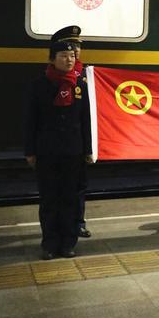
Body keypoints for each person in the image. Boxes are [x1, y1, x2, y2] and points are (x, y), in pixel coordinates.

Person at [24, 41, 92, 259]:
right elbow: (31, 120)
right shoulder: (39, 84)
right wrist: (30, 150)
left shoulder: (80, 85)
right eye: (63, 56)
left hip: (73, 150)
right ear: (52, 59)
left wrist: (88, 149)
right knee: (49, 199)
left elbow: (86, 120)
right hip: (47, 150)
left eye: (72, 56)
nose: (69, 60)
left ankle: (68, 243)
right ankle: (49, 244)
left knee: (70, 199)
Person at [51, 25, 92, 239]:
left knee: (78, 186)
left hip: (78, 141)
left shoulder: (86, 75)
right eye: (70, 46)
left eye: (77, 46)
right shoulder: (49, 77)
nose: (75, 50)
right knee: (55, 187)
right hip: (55, 143)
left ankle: (78, 223)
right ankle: (57, 227)